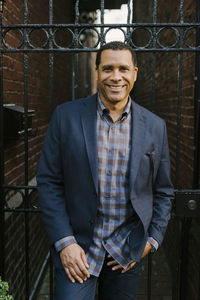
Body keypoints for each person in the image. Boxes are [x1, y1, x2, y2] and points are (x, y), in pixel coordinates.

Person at [37, 41, 173, 300]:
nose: (116, 77)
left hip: (126, 250)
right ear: (97, 70)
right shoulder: (66, 117)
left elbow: (163, 191)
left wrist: (150, 241)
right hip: (78, 250)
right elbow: (48, 182)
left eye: (123, 69)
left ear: (134, 73)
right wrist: (65, 242)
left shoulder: (155, 127)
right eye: (108, 68)